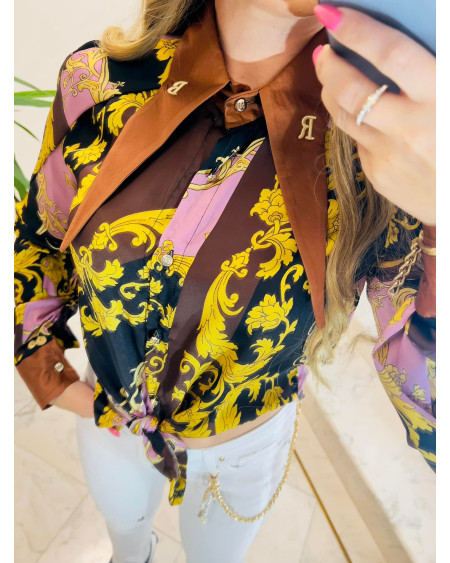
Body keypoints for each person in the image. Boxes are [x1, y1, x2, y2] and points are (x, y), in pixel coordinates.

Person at [14, 1, 436, 562]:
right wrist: (47, 371)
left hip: (240, 451)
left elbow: (430, 405)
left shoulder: (385, 159)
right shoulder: (99, 80)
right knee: (126, 541)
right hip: (114, 418)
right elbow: (38, 239)